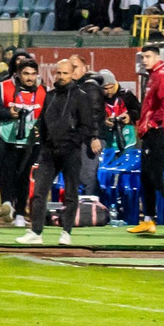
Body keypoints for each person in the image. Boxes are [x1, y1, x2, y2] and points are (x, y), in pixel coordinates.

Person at [20, 56, 104, 246]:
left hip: (70, 152)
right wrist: (40, 138)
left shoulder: (81, 96)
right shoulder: (50, 95)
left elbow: (87, 125)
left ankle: (66, 232)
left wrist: (72, 141)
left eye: (65, 73)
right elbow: (42, 120)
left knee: (70, 193)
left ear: (73, 74)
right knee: (40, 192)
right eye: (58, 72)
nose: (61, 76)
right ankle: (36, 232)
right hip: (49, 151)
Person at [130, 45, 164, 235]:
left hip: (156, 133)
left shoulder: (162, 76)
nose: (144, 60)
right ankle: (148, 220)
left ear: (158, 57)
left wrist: (154, 124)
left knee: (156, 178)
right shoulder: (151, 75)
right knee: (146, 177)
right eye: (143, 57)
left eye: (148, 57)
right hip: (149, 133)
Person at [0, 54, 44, 227]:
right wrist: (9, 113)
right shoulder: (3, 87)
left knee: (24, 177)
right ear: (18, 75)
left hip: (31, 141)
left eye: (33, 74)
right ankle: (7, 203)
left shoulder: (43, 91)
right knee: (7, 171)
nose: (30, 78)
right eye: (26, 74)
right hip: (6, 138)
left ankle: (20, 214)